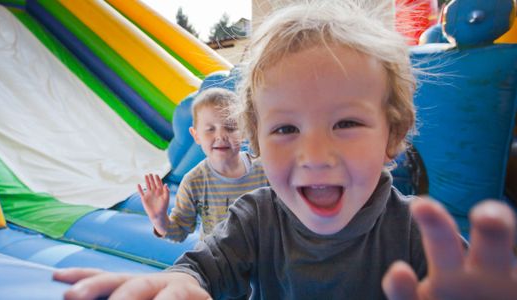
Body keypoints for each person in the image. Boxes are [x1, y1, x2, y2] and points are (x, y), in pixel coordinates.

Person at [54, 1, 517, 299]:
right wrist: (179, 283)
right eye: (286, 129)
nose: (314, 154)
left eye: (347, 123)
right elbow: (201, 268)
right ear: (256, 143)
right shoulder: (257, 218)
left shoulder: (417, 230)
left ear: (392, 136)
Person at [137, 87, 269, 242]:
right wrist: (160, 220)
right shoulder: (194, 182)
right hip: (218, 260)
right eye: (210, 129)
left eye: (230, 127)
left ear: (243, 131)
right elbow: (179, 231)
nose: (220, 135)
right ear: (196, 135)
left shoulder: (264, 170)